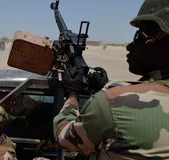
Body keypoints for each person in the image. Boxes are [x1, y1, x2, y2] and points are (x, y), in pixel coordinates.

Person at [53, 0, 169, 159]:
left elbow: (64, 138)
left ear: (156, 41)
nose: (129, 46)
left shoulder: (113, 103)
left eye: (138, 37)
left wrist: (72, 93)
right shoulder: (115, 97)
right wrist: (109, 88)